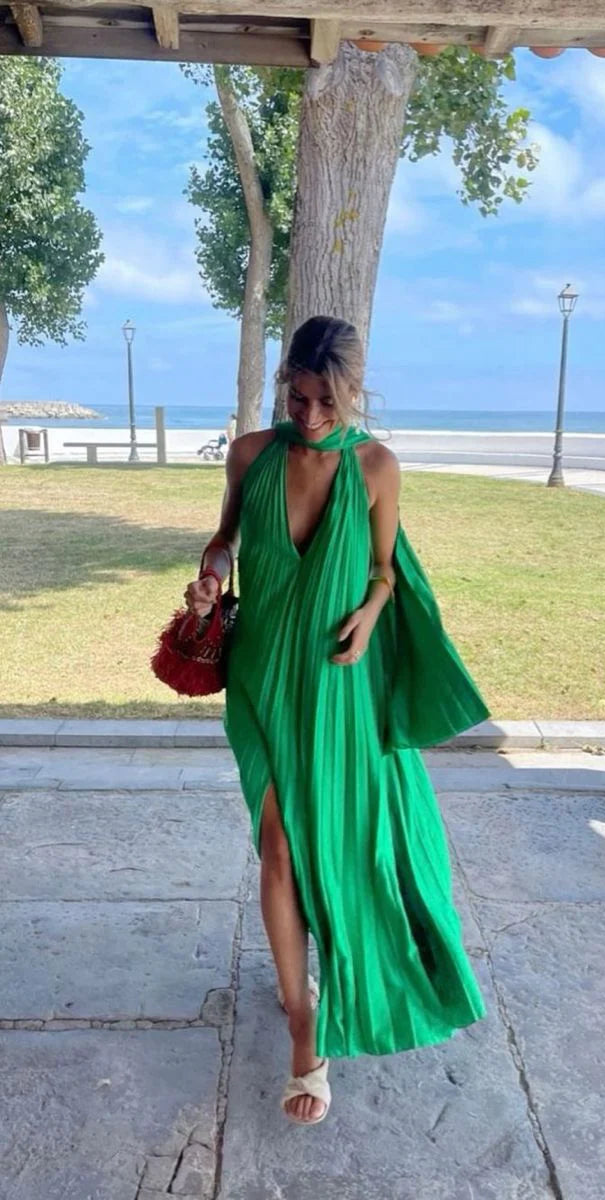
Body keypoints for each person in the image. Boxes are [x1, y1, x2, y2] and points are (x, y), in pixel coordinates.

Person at [183, 316, 490, 1127]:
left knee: (342, 845)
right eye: (299, 396)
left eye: (328, 400)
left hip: (338, 683)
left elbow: (386, 569)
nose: (312, 415)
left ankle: (334, 972)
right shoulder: (251, 455)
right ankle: (303, 1028)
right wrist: (211, 576)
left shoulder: (377, 467)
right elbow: (224, 540)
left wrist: (372, 610)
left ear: (354, 390)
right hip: (260, 680)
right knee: (279, 844)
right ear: (285, 383)